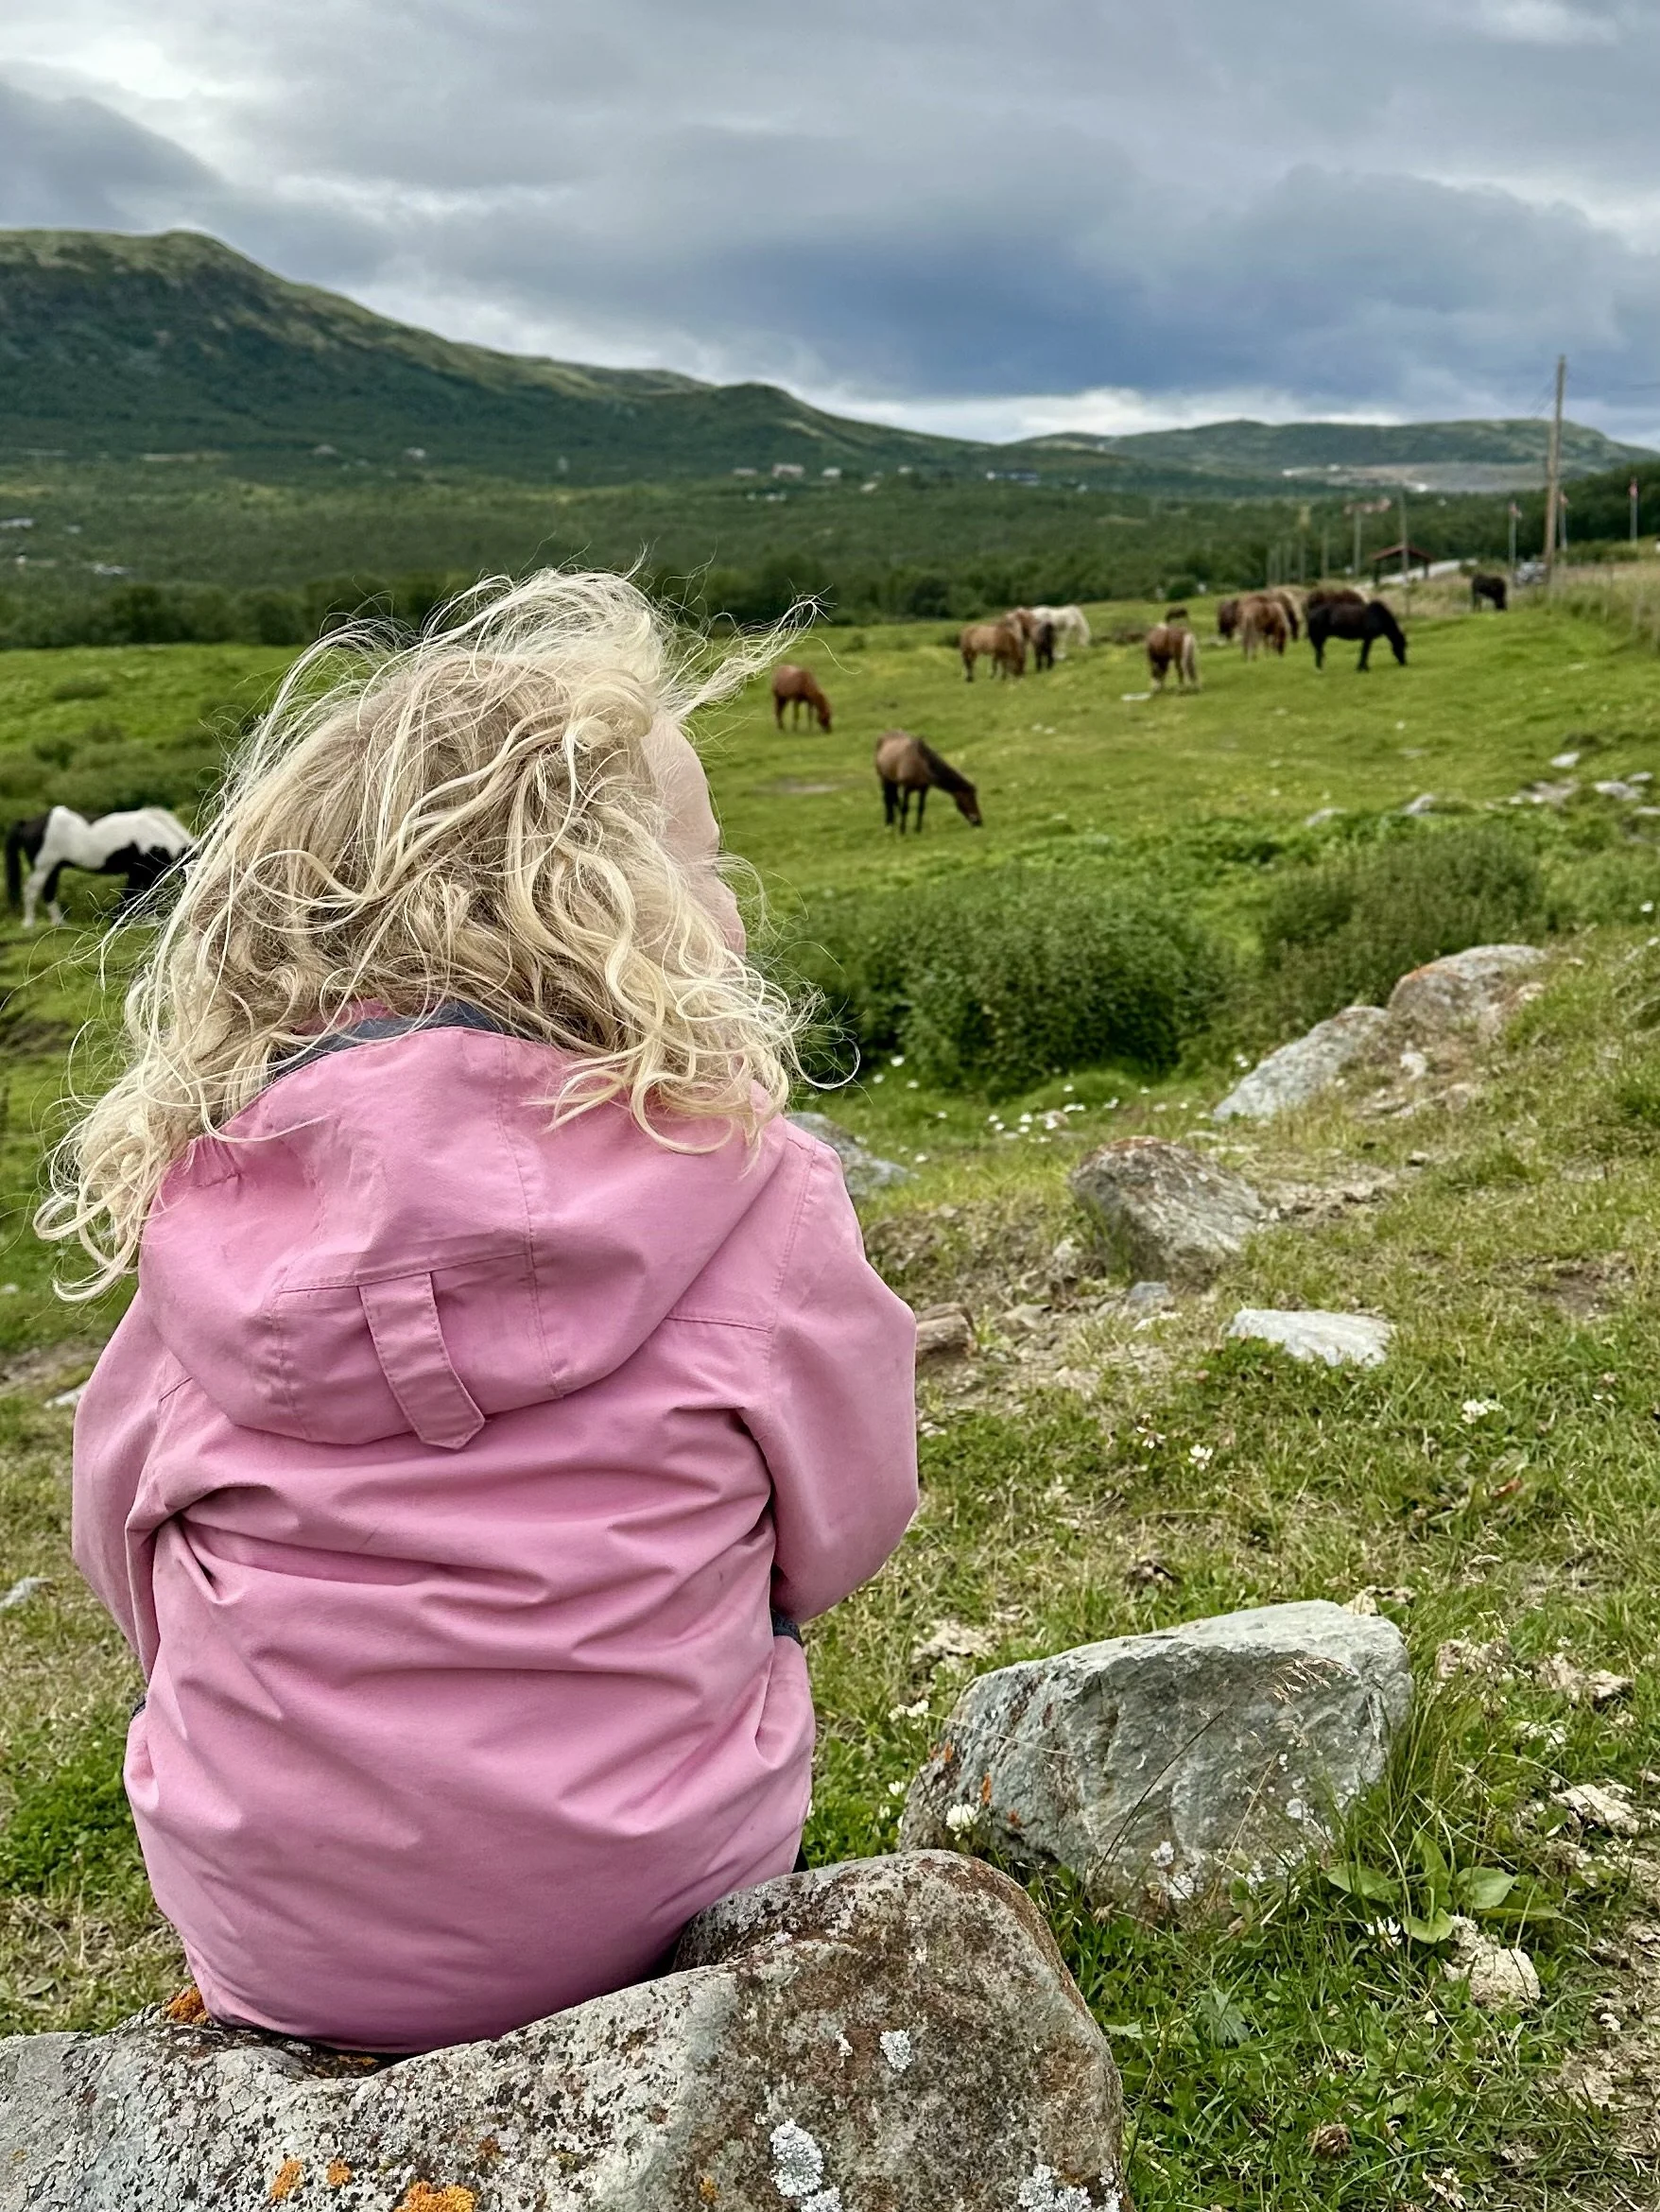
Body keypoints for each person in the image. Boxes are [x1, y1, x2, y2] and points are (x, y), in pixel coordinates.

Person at [44, 571, 918, 2055]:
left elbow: (115, 1546)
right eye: (706, 865)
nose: (731, 899)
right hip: (658, 1905)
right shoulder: (762, 1190)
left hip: (282, 1943)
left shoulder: (205, 1202)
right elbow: (849, 1522)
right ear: (611, 915)